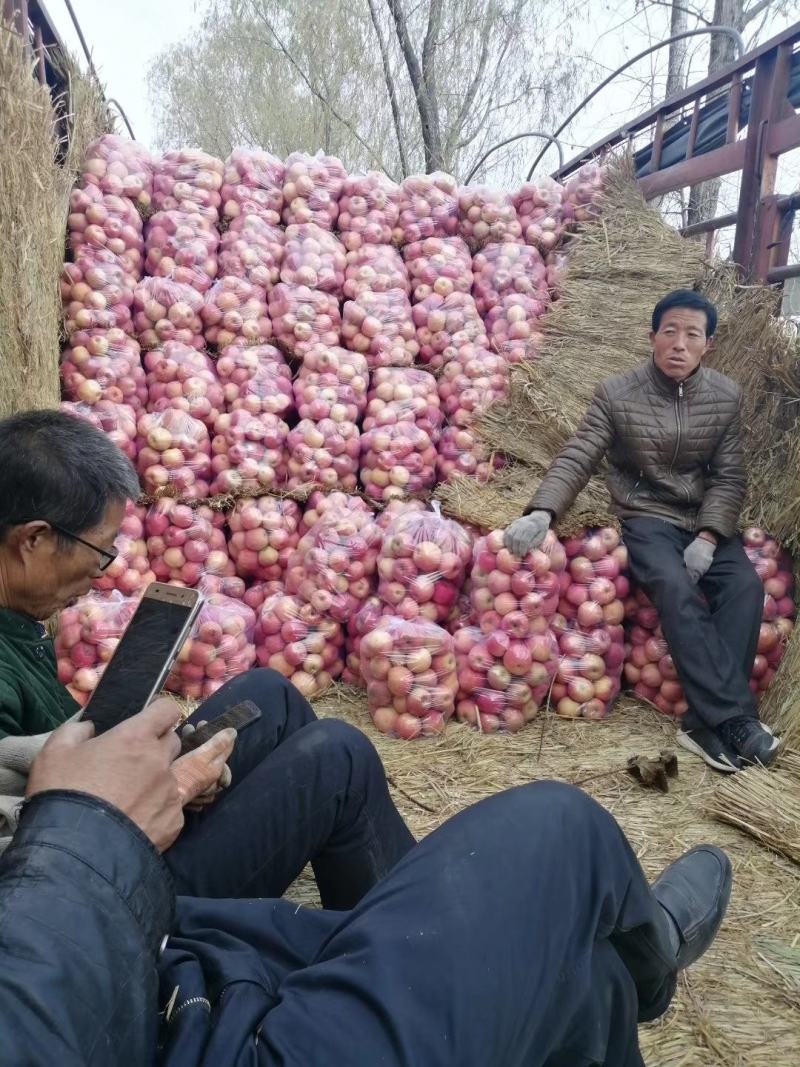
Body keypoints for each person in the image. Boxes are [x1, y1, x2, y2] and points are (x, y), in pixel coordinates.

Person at [0, 699, 731, 1066]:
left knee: (587, 975)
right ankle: (653, 959)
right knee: (555, 827)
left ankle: (598, 964)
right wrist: (84, 824)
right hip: (174, 1016)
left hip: (139, 964)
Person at [0, 409, 414, 905]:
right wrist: (162, 789)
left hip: (101, 824)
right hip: (103, 891)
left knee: (270, 693)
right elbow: (32, 857)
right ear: (34, 540)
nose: (103, 573)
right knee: (340, 758)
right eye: (101, 550)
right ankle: (406, 940)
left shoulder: (16, 617)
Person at [504, 289, 778, 773]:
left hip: (703, 521)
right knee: (674, 587)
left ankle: (702, 723)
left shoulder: (725, 396)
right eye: (669, 331)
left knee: (745, 586)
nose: (679, 343)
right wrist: (542, 511)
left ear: (707, 344)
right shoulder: (617, 393)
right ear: (651, 336)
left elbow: (729, 476)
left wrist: (711, 537)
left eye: (692, 334)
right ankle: (737, 722)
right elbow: (580, 454)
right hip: (647, 515)